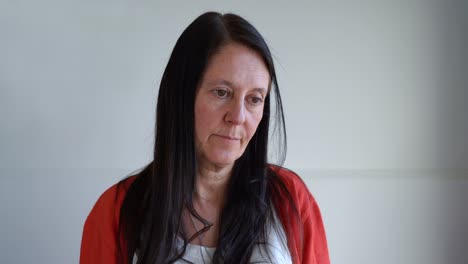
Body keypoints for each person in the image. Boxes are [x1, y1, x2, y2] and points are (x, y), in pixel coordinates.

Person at [80, 11, 330, 264]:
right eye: (222, 93)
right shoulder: (116, 211)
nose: (238, 116)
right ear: (181, 96)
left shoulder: (292, 200)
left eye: (254, 99)